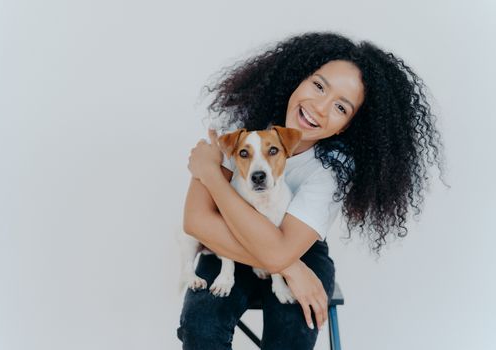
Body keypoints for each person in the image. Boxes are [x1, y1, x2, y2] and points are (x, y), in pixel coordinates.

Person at [177, 32, 445, 349]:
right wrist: (292, 270)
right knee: (201, 325)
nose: (319, 107)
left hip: (295, 245)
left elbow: (279, 250)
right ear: (297, 76)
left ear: (347, 126)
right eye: (318, 86)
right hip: (229, 241)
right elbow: (195, 221)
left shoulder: (332, 167)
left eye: (341, 108)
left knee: (292, 334)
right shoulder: (241, 128)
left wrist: (211, 174)